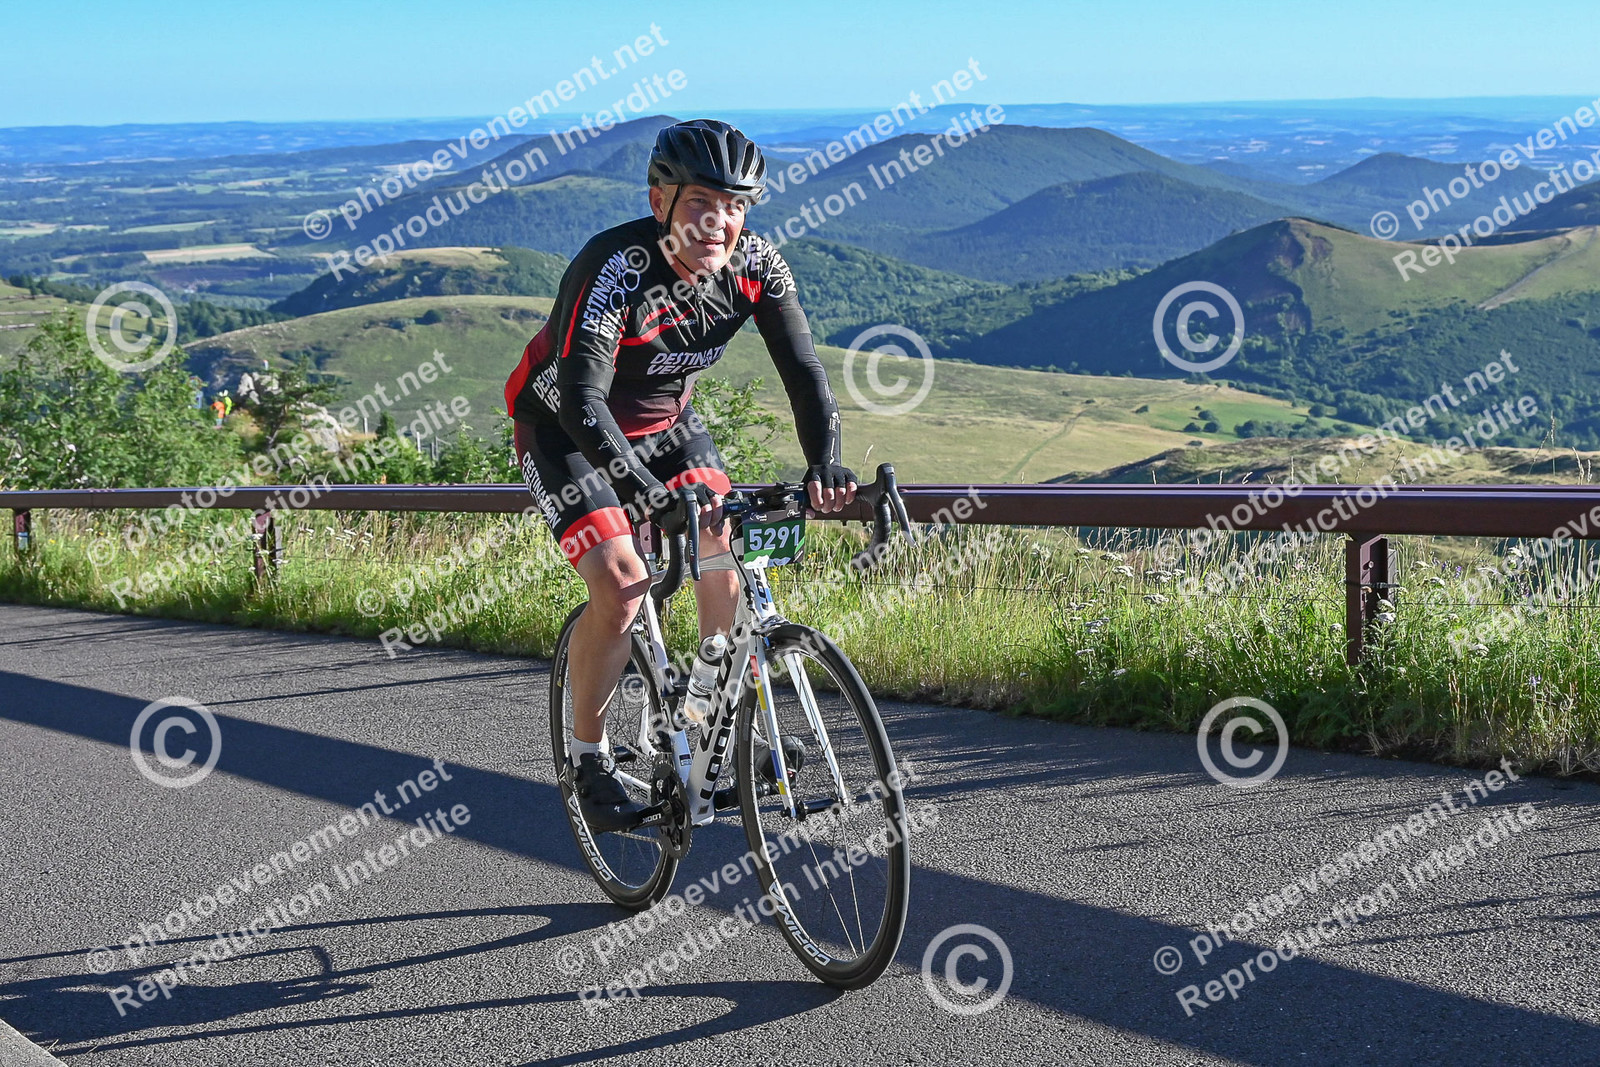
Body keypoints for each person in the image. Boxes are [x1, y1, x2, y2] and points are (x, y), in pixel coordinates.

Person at [504, 119, 856, 831]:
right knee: (622, 583)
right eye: (700, 202)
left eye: (734, 206)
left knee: (725, 556)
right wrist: (641, 494)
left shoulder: (759, 266)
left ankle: (700, 728)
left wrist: (824, 460)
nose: (718, 222)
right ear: (660, 201)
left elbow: (804, 372)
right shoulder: (616, 266)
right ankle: (589, 758)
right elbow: (580, 397)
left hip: (667, 425)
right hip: (566, 429)